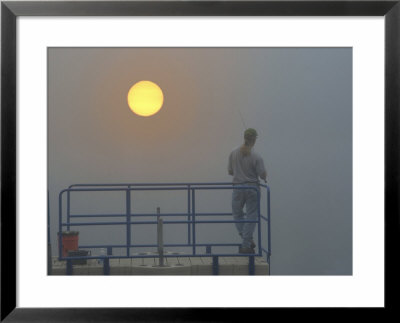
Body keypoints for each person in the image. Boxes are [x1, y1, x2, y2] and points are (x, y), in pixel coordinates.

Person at [228, 128, 267, 254]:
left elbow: (230, 171)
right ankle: (246, 243)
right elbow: (262, 175)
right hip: (252, 188)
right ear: (254, 139)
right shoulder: (256, 156)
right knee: (251, 216)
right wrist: (265, 176)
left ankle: (247, 239)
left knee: (237, 214)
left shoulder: (233, 152)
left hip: (238, 188)